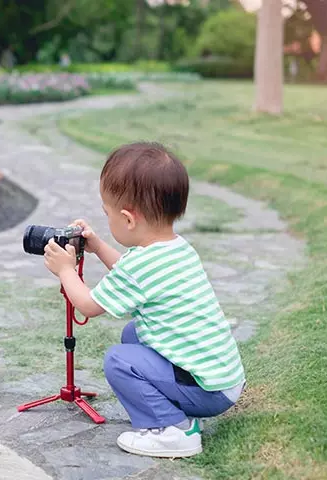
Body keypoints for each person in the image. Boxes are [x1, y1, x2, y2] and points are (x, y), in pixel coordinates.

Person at [43, 142, 246, 458]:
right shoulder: (175, 248)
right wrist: (97, 246)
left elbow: (88, 305)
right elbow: (132, 275)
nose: (106, 219)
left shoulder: (142, 265)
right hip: (220, 380)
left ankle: (173, 432)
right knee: (133, 335)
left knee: (119, 360)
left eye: (107, 213)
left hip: (208, 391)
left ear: (128, 219)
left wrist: (65, 270)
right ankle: (179, 415)